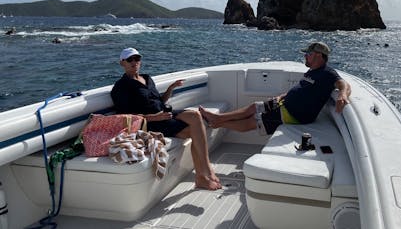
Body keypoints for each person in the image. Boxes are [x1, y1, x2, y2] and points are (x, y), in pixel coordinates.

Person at [110, 48, 221, 190]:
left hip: (164, 115)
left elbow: (159, 100)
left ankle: (202, 175)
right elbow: (126, 117)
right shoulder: (121, 87)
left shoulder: (147, 78)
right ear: (122, 63)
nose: (134, 62)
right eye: (129, 60)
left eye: (137, 59)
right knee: (196, 129)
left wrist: (170, 88)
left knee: (196, 116)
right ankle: (205, 172)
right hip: (151, 123)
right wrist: (154, 118)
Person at [199, 42, 351, 135]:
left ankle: (218, 123)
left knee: (254, 121)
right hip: (284, 104)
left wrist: (342, 95)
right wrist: (282, 97)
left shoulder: (327, 73)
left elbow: (343, 83)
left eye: (308, 54)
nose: (305, 56)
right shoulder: (313, 71)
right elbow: (301, 90)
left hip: (294, 115)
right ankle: (218, 118)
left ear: (318, 55)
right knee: (254, 106)